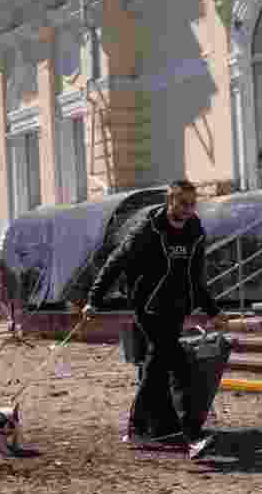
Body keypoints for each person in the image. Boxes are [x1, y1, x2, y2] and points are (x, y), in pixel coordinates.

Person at [82, 180, 228, 460]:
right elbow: (116, 262)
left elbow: (195, 279)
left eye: (192, 204)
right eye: (182, 203)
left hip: (176, 307)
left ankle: (139, 427)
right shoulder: (147, 230)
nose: (188, 210)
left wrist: (213, 311)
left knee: (156, 367)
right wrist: (94, 300)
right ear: (169, 202)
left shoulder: (195, 232)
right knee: (179, 365)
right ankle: (192, 436)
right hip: (148, 307)